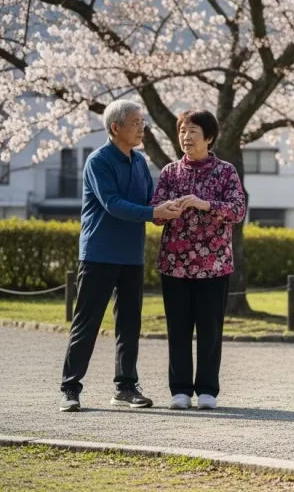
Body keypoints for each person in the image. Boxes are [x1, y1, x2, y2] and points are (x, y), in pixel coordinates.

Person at [59, 100, 182, 412]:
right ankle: (70, 388)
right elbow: (112, 204)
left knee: (129, 324)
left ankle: (125, 387)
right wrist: (152, 211)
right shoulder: (98, 161)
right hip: (99, 253)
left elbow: (146, 203)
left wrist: (163, 211)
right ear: (115, 128)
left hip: (131, 256)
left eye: (142, 121)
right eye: (135, 122)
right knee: (86, 322)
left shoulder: (139, 162)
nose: (142, 127)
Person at [150, 110, 246, 411]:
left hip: (214, 265)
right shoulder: (169, 172)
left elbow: (238, 210)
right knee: (177, 329)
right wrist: (167, 209)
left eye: (193, 131)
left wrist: (205, 204)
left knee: (210, 329)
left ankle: (207, 390)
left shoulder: (226, 171)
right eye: (182, 131)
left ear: (209, 137)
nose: (186, 137)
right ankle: (179, 390)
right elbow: (154, 212)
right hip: (174, 263)